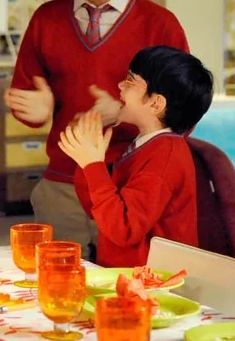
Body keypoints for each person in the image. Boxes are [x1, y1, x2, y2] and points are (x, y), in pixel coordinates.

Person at [5, 0, 189, 260]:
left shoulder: (161, 25)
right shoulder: (46, 19)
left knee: (128, 298)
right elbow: (28, 104)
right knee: (57, 297)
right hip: (61, 188)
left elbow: (184, 117)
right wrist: (41, 110)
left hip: (131, 191)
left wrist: (123, 113)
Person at [58, 46, 213, 267]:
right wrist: (89, 159)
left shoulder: (164, 158)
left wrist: (92, 165)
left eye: (130, 82)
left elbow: (124, 229)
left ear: (156, 103)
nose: (120, 86)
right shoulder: (145, 145)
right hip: (126, 279)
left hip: (154, 288)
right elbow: (98, 211)